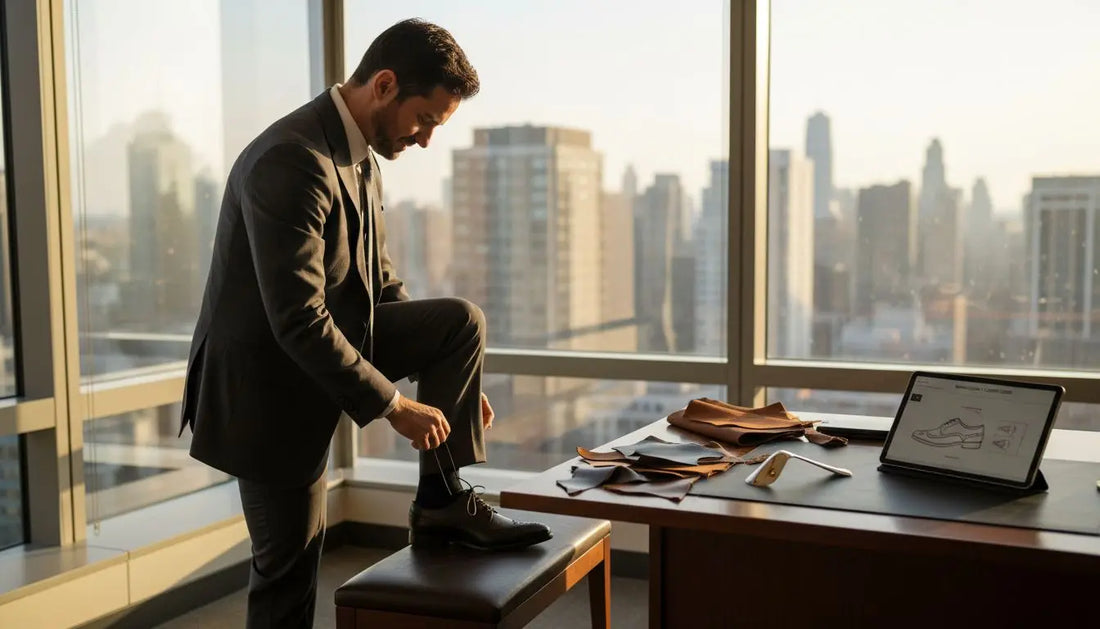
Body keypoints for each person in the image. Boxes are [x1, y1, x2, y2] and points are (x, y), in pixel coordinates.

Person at [178, 18, 551, 628]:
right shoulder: (291, 159)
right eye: (425, 120)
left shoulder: (361, 157)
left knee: (461, 323)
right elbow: (299, 318)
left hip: (314, 361)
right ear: (384, 85)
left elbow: (380, 287)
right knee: (289, 569)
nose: (427, 139)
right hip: (265, 392)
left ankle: (442, 501)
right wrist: (396, 408)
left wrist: (454, 383)